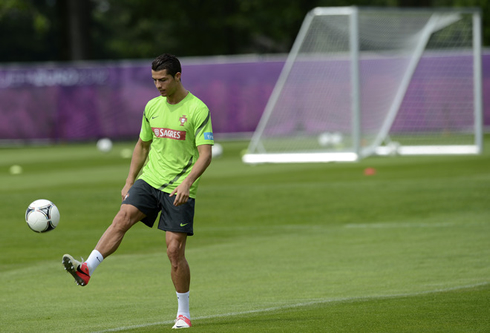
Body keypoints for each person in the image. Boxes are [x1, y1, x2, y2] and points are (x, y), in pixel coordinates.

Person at [62, 53, 214, 329]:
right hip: (150, 180)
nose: (158, 85)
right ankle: (86, 270)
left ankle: (183, 312)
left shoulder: (197, 110)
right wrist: (130, 180)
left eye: (163, 79)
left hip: (178, 188)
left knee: (173, 251)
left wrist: (187, 182)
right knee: (121, 219)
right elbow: (142, 146)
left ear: (178, 76)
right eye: (154, 80)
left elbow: (205, 154)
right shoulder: (152, 107)